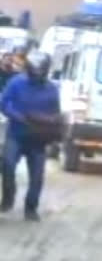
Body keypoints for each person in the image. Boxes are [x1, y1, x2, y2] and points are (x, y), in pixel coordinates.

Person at [0, 50, 61, 222]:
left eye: (41, 72)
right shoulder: (16, 83)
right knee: (7, 165)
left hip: (38, 139)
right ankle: (8, 198)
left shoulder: (51, 89)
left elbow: (55, 113)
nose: (37, 75)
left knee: (37, 175)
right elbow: (4, 104)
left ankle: (31, 208)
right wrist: (19, 116)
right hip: (17, 134)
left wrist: (50, 125)